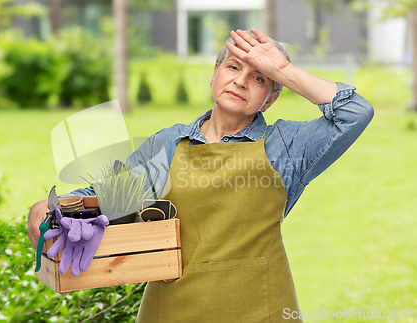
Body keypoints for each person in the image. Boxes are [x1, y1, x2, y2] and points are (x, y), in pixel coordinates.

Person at [27, 28, 373, 322]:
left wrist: (283, 70)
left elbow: (355, 113)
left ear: (270, 98)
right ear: (214, 74)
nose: (240, 81)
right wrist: (47, 209)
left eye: (258, 78)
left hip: (261, 310)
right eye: (233, 67)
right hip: (173, 311)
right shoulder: (169, 143)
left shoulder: (285, 145)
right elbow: (105, 198)